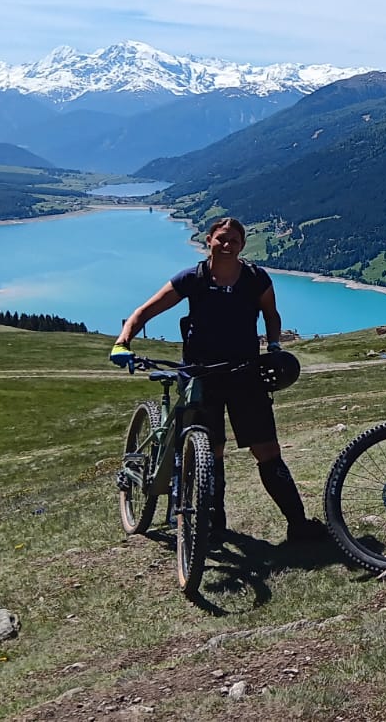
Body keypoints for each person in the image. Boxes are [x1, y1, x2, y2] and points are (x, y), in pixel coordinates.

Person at [112, 217, 325, 542]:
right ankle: (213, 525)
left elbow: (271, 314)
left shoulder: (255, 278)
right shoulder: (192, 279)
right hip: (200, 377)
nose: (227, 245)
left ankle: (299, 525)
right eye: (221, 239)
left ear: (242, 245)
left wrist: (275, 346)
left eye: (234, 240)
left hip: (245, 373)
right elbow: (145, 311)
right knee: (211, 452)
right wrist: (122, 341)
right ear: (208, 240)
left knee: (267, 450)